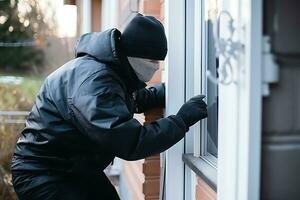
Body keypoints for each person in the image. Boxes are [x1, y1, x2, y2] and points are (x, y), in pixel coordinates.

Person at [11, 14, 207, 200]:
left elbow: (135, 99)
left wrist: (170, 90)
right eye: (153, 61)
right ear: (133, 56)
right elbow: (131, 142)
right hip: (42, 174)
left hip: (74, 166)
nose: (156, 67)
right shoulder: (95, 82)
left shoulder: (113, 70)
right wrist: (181, 120)